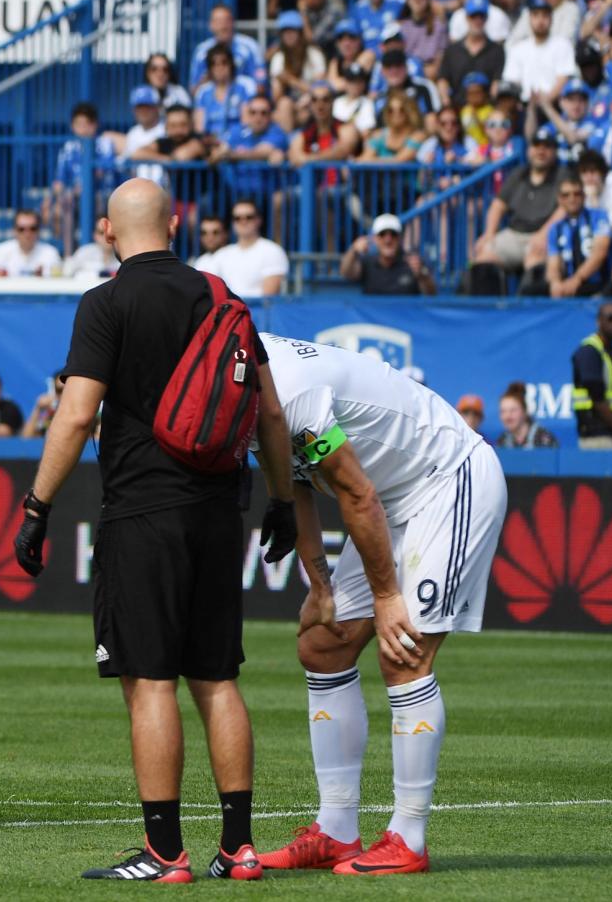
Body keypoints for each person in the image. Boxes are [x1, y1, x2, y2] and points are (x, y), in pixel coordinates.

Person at [12, 177, 297, 883]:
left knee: (149, 683)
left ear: (108, 232)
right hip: (217, 511)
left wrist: (37, 507)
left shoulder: (106, 302)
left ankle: (165, 852)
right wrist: (283, 502)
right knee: (217, 679)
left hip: (141, 512)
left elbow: (76, 416)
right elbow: (268, 413)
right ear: (175, 224)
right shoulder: (221, 297)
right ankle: (239, 848)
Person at [253, 333, 507, 878]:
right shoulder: (240, 379)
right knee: (323, 644)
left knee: (403, 649)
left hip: (448, 478)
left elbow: (355, 494)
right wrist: (320, 586)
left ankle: (407, 838)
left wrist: (388, 597)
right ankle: (336, 831)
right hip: (390, 497)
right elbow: (292, 485)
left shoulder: (287, 392)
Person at [470, 131, 565, 293]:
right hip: (515, 233)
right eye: (536, 146)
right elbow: (497, 205)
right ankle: (488, 314)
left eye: (547, 147)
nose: (541, 151)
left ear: (555, 152)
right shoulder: (518, 174)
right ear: (529, 150)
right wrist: (489, 234)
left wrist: (544, 234)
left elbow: (565, 208)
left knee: (536, 264)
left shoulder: (562, 175)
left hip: (544, 236)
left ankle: (529, 315)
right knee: (483, 257)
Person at [45, 101, 118, 256]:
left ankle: (96, 253)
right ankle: (69, 255)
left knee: (93, 203)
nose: (83, 129)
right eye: (79, 124)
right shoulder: (68, 147)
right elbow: (59, 181)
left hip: (103, 195)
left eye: (87, 124)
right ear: (72, 126)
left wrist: (83, 187)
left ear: (95, 125)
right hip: (74, 197)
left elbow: (101, 173)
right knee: (62, 205)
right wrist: (55, 199)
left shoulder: (105, 144)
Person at [571, 301, 612, 450]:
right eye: (611, 317)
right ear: (599, 321)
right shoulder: (589, 351)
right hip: (597, 436)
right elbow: (597, 398)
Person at [543, 173, 612, 298]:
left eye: (577, 194)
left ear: (584, 196)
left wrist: (577, 279)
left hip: (598, 284)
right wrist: (555, 282)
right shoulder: (555, 228)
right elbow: (553, 263)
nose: (572, 199)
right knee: (530, 290)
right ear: (559, 199)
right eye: (566, 195)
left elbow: (599, 253)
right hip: (568, 284)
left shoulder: (599, 217)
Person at [202, 200, 288, 298]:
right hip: (228, 311)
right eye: (237, 218)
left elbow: (268, 299)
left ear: (259, 220)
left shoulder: (272, 251)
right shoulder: (222, 254)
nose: (243, 221)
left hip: (258, 312)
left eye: (249, 217)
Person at [339, 213, 437, 294]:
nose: (388, 240)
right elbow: (346, 272)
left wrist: (422, 275)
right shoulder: (368, 262)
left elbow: (431, 294)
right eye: (382, 234)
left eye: (393, 234)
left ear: (400, 238)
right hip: (373, 316)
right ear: (375, 239)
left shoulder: (413, 262)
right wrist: (353, 250)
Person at [501, 0, 575, 102]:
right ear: (529, 18)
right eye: (536, 15)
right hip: (524, 105)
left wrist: (545, 103)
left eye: (545, 16)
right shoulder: (518, 48)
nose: (540, 21)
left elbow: (563, 80)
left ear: (551, 19)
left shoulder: (562, 44)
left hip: (554, 104)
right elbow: (512, 81)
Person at [437, 0, 505, 107]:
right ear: (467, 18)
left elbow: (496, 83)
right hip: (458, 107)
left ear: (486, 18)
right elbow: (443, 79)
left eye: (481, 16)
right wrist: (447, 103)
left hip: (486, 109)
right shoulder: (452, 50)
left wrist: (491, 106)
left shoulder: (496, 51)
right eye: (473, 16)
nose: (477, 21)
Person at [189, 3, 266, 91]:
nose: (223, 26)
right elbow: (194, 90)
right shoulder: (201, 51)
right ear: (211, 25)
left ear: (233, 23)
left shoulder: (250, 47)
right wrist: (209, 79)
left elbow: (261, 85)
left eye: (227, 20)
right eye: (218, 21)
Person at [0, 210, 62, 281]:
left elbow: (60, 280)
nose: (27, 233)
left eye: (32, 228)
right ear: (14, 231)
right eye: (22, 229)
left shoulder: (50, 253)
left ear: (39, 230)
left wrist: (45, 278)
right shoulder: (1, 251)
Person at [194, 44, 258, 142]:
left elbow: (247, 123)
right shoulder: (203, 92)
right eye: (214, 64)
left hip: (238, 141)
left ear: (231, 64)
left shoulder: (244, 87)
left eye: (224, 63)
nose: (219, 68)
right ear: (209, 68)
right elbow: (200, 128)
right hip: (211, 143)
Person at [496, 381, 559, 448]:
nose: (507, 416)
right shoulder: (502, 441)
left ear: (525, 411)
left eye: (513, 410)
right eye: (503, 411)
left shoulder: (543, 438)